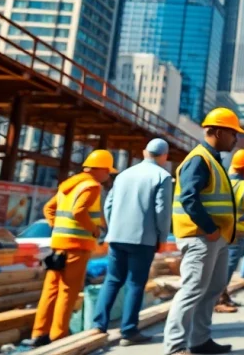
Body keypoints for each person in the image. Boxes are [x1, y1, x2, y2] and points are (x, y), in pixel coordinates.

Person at [164, 108, 243, 355]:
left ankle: (199, 341)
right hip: (201, 236)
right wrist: (209, 228)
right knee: (191, 290)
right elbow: (189, 198)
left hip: (214, 238)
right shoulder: (199, 159)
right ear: (218, 132)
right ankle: (175, 348)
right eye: (233, 134)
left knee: (213, 288)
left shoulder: (213, 160)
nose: (235, 139)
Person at [27, 150, 116, 347]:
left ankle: (39, 333)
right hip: (77, 247)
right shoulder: (92, 185)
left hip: (58, 245)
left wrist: (58, 227)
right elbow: (78, 212)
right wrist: (94, 231)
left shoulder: (68, 185)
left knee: (51, 290)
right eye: (107, 171)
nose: (108, 176)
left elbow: (49, 208)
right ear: (99, 169)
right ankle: (58, 335)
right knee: (68, 291)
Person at [93, 139, 173, 345]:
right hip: (142, 239)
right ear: (164, 156)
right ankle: (128, 331)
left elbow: (109, 205)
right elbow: (162, 211)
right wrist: (162, 238)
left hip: (117, 236)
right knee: (135, 283)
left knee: (112, 279)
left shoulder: (124, 175)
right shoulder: (162, 176)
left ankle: (98, 325)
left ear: (145, 152)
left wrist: (114, 228)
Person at [216, 149, 244, 312]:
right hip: (237, 233)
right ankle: (218, 297)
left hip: (218, 231)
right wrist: (242, 218)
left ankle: (222, 295)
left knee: (218, 265)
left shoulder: (222, 182)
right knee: (228, 266)